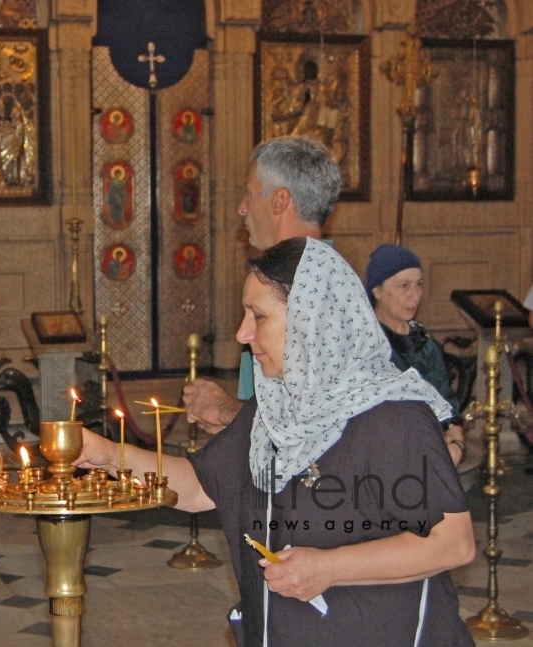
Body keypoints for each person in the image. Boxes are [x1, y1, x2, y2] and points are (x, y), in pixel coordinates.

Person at [76, 237, 476, 647]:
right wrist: (107, 454)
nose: (242, 332)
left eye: (259, 316)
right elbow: (199, 486)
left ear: (312, 321)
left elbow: (453, 544)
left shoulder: (393, 416)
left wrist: (330, 567)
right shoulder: (275, 408)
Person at [183, 136, 341, 434]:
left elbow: (321, 422)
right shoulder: (281, 277)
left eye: (250, 195)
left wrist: (227, 411)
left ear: (279, 201)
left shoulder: (318, 290)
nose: (242, 208)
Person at [365, 243, 467, 466]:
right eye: (404, 286)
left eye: (419, 285)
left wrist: (456, 442)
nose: (415, 296)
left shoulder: (423, 340)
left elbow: (446, 402)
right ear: (377, 290)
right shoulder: (366, 344)